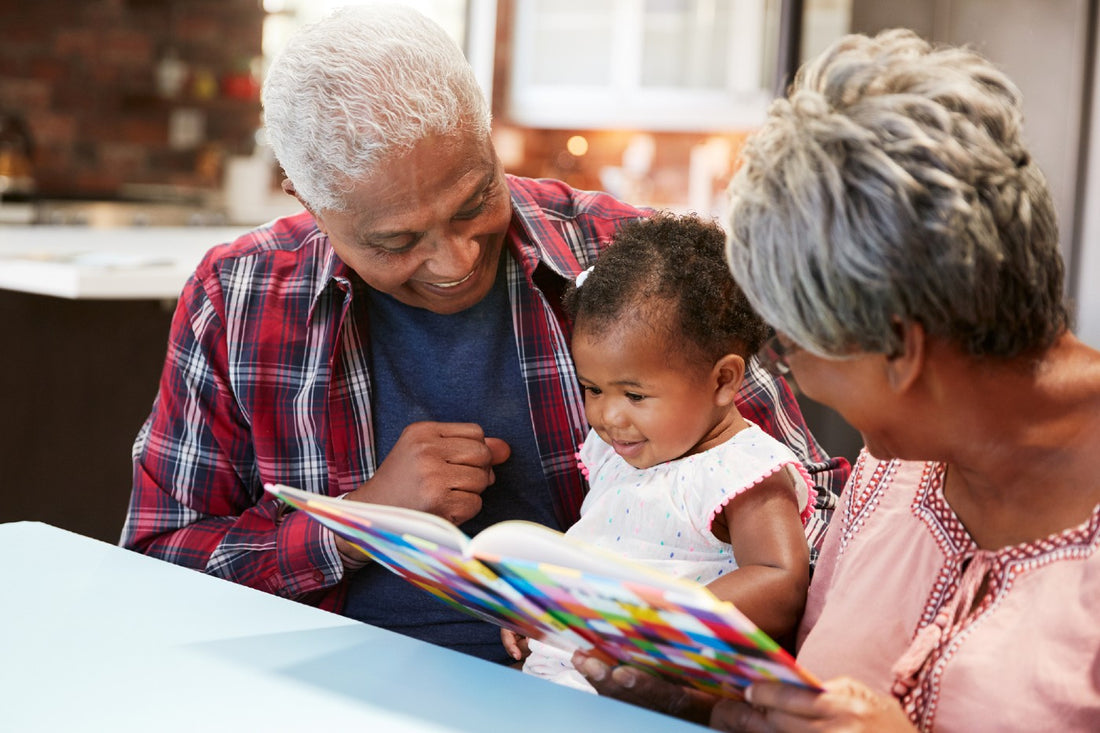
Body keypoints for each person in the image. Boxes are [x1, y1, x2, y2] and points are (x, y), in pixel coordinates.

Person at [119, 3, 848, 665]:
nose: (457, 258)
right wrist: (355, 523)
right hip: (321, 683)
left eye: (475, 200)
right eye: (398, 240)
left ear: (487, 134)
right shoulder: (240, 297)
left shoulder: (635, 266)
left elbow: (820, 508)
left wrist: (662, 619)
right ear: (310, 203)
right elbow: (156, 562)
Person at [574, 28, 1100, 731]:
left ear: (899, 349)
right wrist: (686, 694)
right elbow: (808, 688)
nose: (787, 377)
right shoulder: (890, 469)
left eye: (789, 351)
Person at [502, 213, 817, 690]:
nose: (608, 416)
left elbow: (780, 580)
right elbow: (605, 543)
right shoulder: (621, 453)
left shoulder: (743, 472)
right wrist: (548, 605)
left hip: (655, 695)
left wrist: (657, 622)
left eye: (634, 395)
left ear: (723, 381)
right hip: (561, 683)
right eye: (592, 388)